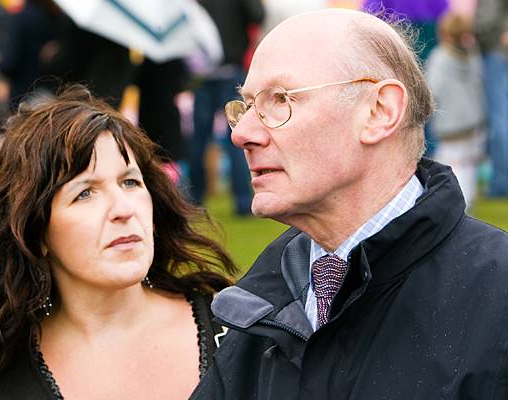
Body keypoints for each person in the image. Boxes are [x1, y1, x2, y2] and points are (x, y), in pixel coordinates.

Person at [191, 9, 508, 399]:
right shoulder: (258, 297)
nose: (244, 134)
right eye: (246, 106)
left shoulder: (496, 294)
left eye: (280, 99)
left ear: (379, 111)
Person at [0, 85, 237, 400]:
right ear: (36, 234)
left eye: (130, 182)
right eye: (85, 193)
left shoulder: (236, 329)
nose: (123, 209)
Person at [188, 0, 264, 216]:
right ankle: (243, 202)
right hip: (231, 68)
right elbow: (257, 15)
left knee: (198, 140)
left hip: (202, 71)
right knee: (239, 137)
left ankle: (194, 200)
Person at [426, 12, 486, 210]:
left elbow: (433, 90)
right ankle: (467, 201)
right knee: (469, 164)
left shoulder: (439, 58)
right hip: (472, 121)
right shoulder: (473, 55)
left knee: (450, 165)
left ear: (447, 35)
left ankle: (457, 204)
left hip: (449, 124)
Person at [474, 0, 508, 197]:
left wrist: (477, 36)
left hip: (496, 49)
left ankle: (501, 183)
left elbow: (487, 20)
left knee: (499, 119)